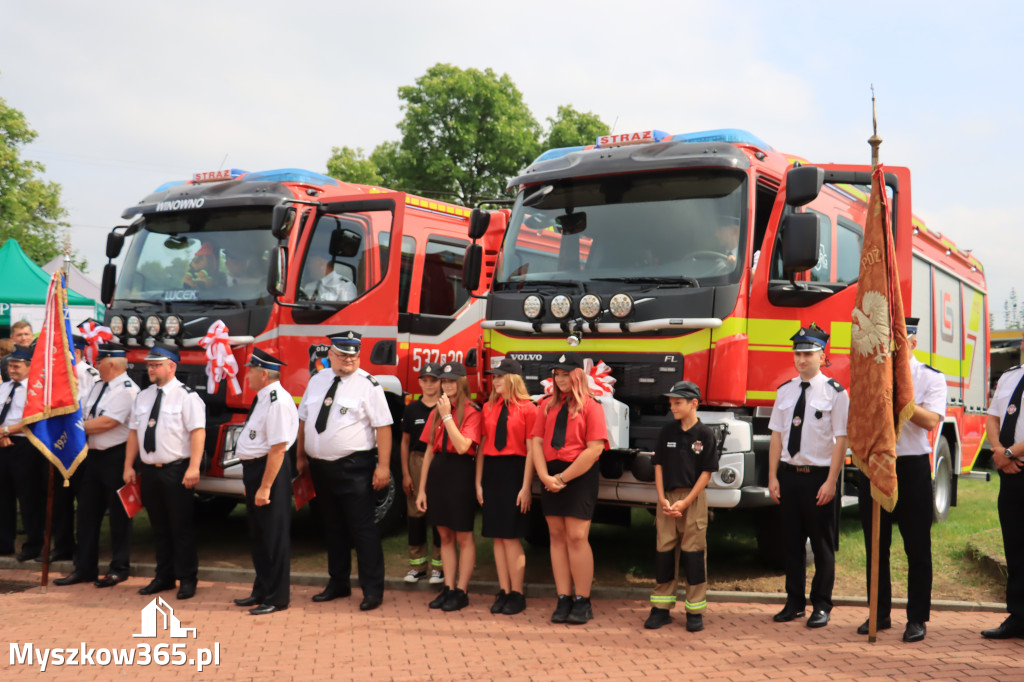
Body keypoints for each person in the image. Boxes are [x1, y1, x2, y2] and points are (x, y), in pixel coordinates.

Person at [856, 317, 945, 643]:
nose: (895, 347)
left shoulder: (929, 377)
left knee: (917, 547)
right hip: (877, 464)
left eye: (901, 341)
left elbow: (930, 421)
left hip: (911, 468)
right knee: (876, 545)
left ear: (913, 343)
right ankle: (878, 613)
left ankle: (917, 618)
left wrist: (899, 400)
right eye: (890, 342)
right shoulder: (871, 375)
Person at [296, 331, 392, 612]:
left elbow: (383, 427)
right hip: (320, 468)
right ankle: (338, 583)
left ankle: (372, 590)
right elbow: (304, 420)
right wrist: (301, 455)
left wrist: (383, 466)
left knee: (362, 529)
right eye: (342, 354)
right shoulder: (317, 380)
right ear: (330, 354)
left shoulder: (368, 385)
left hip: (354, 468)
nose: (348, 360)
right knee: (332, 527)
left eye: (353, 355)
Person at [767, 324, 848, 628]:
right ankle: (794, 602)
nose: (801, 359)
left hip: (818, 480)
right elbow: (776, 437)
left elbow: (842, 440)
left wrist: (831, 481)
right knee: (791, 543)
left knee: (822, 545)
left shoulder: (836, 393)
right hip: (789, 477)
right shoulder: (785, 390)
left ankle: (822, 604)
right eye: (798, 354)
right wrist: (773, 477)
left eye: (808, 354)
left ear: (822, 356)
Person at [123, 344, 205, 600]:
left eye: (156, 364)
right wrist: (128, 464)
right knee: (158, 528)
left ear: (172, 366)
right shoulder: (144, 396)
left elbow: (198, 432)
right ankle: (164, 576)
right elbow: (135, 432)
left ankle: (188, 578)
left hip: (176, 470)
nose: (150, 369)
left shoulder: (187, 396)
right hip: (150, 471)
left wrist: (193, 466)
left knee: (181, 527)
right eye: (149, 364)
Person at [531, 353, 608, 625]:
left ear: (577, 375)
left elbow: (595, 448)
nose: (561, 380)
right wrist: (544, 476)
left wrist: (562, 478)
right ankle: (563, 597)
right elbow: (537, 442)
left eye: (565, 374)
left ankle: (582, 600)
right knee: (556, 535)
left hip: (578, 474)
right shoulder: (546, 406)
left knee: (576, 537)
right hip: (550, 474)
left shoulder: (591, 406)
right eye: (557, 375)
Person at [54, 343, 139, 587]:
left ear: (111, 363)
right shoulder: (98, 386)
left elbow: (107, 423)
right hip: (93, 456)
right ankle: (84, 568)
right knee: (87, 514)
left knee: (119, 517)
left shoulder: (127, 390)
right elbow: (86, 415)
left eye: (99, 361)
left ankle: (119, 568)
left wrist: (70, 430)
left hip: (116, 457)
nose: (96, 365)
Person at [644, 380, 719, 632]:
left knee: (694, 553)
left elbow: (707, 473)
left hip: (693, 500)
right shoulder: (667, 432)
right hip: (666, 497)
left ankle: (694, 610)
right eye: (671, 403)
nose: (672, 407)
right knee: (664, 551)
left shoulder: (705, 434)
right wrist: (662, 498)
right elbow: (658, 466)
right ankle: (661, 608)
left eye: (677, 403)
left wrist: (686, 502)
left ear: (693, 403)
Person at [233, 348, 298, 616]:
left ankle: (277, 596)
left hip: (269, 471)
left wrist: (265, 486)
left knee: (273, 536)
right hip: (256, 470)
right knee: (259, 535)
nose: (246, 375)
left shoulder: (278, 400)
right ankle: (261, 589)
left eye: (249, 370)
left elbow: (278, 448)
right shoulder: (263, 398)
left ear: (262, 373)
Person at [416, 361, 482, 612]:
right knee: (444, 535)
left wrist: (446, 416)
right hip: (438, 474)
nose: (447, 385)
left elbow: (464, 445)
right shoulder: (436, 411)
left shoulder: (472, 411)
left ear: (462, 382)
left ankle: (462, 590)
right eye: (444, 381)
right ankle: (449, 587)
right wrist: (422, 489)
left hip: (460, 473)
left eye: (452, 381)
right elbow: (430, 452)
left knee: (463, 535)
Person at [476, 357, 536, 616]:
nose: (495, 380)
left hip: (515, 471)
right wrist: (478, 482)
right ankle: (503, 589)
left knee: (511, 537)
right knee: (497, 537)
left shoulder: (529, 408)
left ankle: (517, 593)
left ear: (512, 379)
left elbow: (532, 451)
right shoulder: (488, 407)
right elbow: (482, 445)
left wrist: (526, 487)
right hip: (492, 471)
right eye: (494, 376)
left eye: (500, 376)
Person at [981, 352, 1024, 639]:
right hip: (1010, 473)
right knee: (1015, 545)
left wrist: (1009, 453)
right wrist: (999, 452)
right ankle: (1018, 616)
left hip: (1015, 460)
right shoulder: (1009, 376)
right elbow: (993, 418)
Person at [50, 334, 101, 563]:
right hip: (59, 443)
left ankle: (83, 548)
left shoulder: (88, 374)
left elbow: (90, 409)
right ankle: (62, 545)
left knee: (84, 499)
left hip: (80, 444)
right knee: (60, 498)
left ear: (76, 352)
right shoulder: (58, 375)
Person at [400, 362, 444, 585]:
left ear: (440, 382)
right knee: (415, 513)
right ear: (419, 382)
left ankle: (439, 566)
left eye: (433, 380)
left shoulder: (446, 406)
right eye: (424, 380)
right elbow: (405, 442)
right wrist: (406, 474)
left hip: (440, 462)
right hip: (416, 460)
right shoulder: (411, 410)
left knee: (438, 513)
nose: (429, 385)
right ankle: (417, 566)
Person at [0, 344, 44, 562]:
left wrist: (6, 431)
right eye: (10, 365)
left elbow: (33, 420)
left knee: (28, 498)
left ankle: (33, 545)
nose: (12, 369)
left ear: (29, 366)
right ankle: (4, 543)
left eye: (16, 366)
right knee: (3, 497)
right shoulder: (4, 387)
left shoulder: (35, 390)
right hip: (2, 444)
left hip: (25, 447)